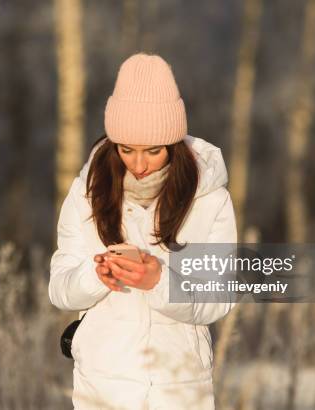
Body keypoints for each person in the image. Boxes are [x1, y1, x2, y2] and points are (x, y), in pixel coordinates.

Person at [49, 53, 238, 410]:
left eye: (153, 151)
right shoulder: (86, 193)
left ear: (174, 144)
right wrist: (96, 274)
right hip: (101, 386)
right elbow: (60, 290)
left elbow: (218, 296)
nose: (138, 164)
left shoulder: (208, 198)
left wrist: (158, 281)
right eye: (126, 150)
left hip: (179, 386)